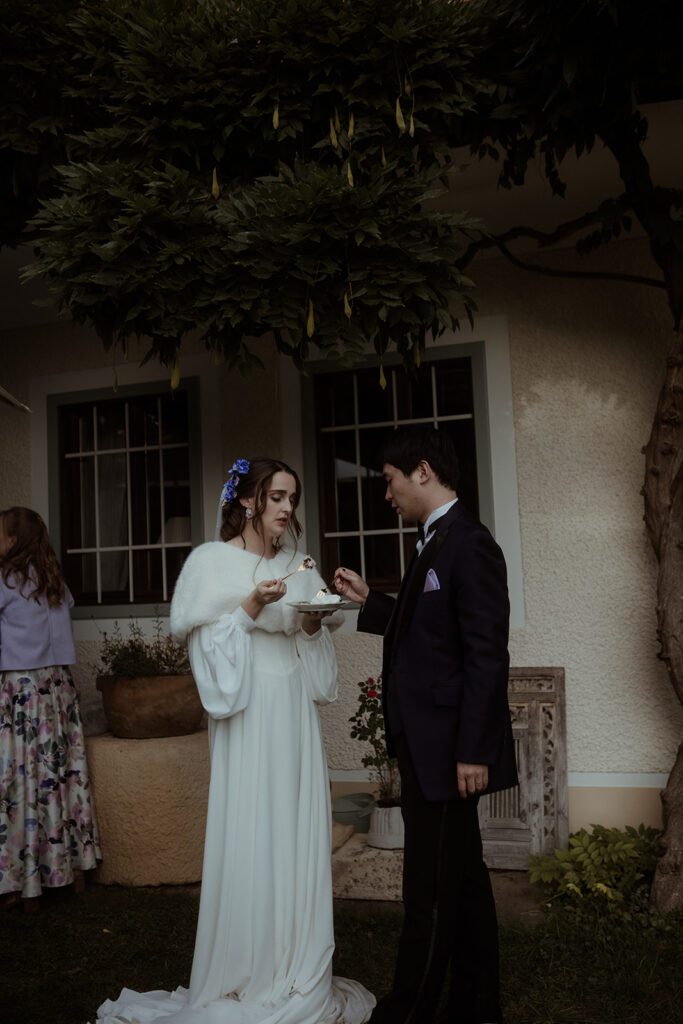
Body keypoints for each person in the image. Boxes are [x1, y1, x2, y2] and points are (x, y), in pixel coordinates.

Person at [95, 457, 375, 1024]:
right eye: (277, 497)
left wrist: (315, 620)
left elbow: (311, 648)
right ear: (249, 501)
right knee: (254, 825)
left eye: (292, 498)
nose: (287, 508)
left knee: (295, 826)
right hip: (248, 713)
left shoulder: (300, 564)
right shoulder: (211, 564)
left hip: (291, 710)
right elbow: (208, 655)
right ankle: (248, 967)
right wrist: (251, 606)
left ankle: (297, 965)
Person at [334, 427, 518, 1024]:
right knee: (463, 880)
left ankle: (405, 1012)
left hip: (448, 750)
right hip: (428, 744)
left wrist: (473, 750)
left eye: (387, 480)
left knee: (428, 890)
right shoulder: (432, 541)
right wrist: (373, 602)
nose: (385, 494)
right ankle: (476, 1005)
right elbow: (429, 632)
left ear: (420, 471)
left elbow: (486, 655)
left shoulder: (470, 544)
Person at [0, 506, 100, 908]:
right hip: (57, 688)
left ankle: (23, 879)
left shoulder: (6, 581)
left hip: (22, 689)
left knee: (20, 779)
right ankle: (70, 865)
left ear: (13, 541)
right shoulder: (54, 581)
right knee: (60, 774)